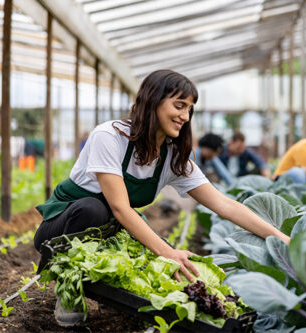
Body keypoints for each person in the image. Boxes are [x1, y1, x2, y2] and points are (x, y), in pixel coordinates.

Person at [33, 70, 290, 327]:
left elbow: (224, 205)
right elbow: (121, 208)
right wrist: (169, 252)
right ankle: (69, 289)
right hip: (61, 232)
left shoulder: (171, 156)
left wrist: (283, 240)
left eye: (189, 109)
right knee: (94, 209)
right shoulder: (109, 136)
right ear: (153, 100)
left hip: (111, 232)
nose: (184, 116)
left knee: (162, 263)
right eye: (179, 106)